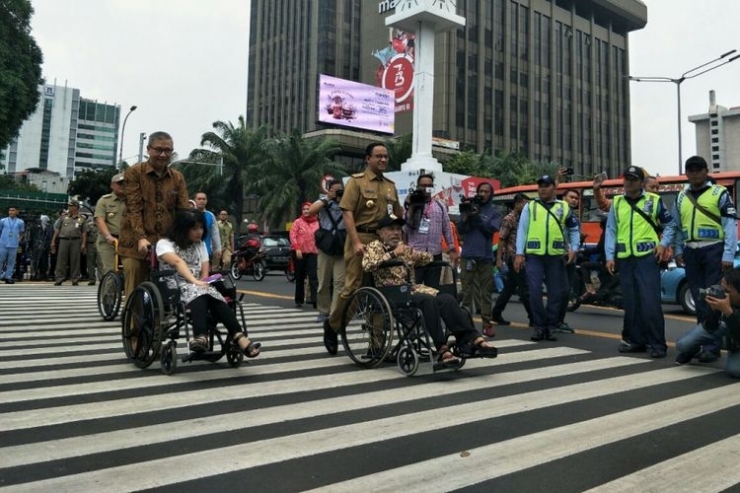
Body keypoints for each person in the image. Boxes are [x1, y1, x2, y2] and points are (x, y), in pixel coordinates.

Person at [363, 214, 497, 365]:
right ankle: (442, 348)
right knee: (427, 301)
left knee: (447, 299)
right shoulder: (375, 246)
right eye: (391, 229)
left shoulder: (404, 248)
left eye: (398, 229)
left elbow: (427, 258)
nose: (396, 232)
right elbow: (368, 265)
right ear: (380, 232)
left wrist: (419, 256)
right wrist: (393, 254)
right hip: (392, 292)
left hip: (413, 289)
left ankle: (471, 339)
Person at [322, 142, 404, 355]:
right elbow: (347, 212)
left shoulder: (390, 186)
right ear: (368, 159)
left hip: (383, 241)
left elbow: (396, 214)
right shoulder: (355, 183)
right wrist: (356, 241)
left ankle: (376, 345)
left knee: (381, 290)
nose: (383, 160)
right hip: (361, 238)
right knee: (353, 289)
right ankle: (332, 326)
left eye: (385, 156)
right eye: (378, 156)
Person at [156, 210, 260, 357]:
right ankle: (202, 336)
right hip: (173, 284)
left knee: (214, 294)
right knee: (202, 291)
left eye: (201, 227)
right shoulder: (164, 244)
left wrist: (203, 282)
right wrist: (195, 282)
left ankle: (238, 337)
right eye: (194, 228)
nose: (199, 232)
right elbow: (177, 262)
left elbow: (205, 267)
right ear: (182, 228)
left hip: (196, 283)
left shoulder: (200, 245)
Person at [672, 155, 738, 364]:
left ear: (706, 170)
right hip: (691, 252)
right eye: (690, 169)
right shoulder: (681, 197)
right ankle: (701, 344)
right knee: (699, 299)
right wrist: (678, 250)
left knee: (713, 299)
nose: (694, 173)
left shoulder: (720, 193)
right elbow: (677, 226)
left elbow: (729, 226)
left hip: (713, 252)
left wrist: (727, 255)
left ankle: (711, 347)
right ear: (686, 173)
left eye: (698, 169)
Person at [605, 166, 675, 358]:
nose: (629, 182)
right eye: (627, 179)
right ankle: (635, 341)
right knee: (631, 301)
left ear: (641, 182)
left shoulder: (654, 200)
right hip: (625, 259)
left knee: (650, 301)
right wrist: (610, 256)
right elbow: (611, 231)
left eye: (634, 179)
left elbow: (670, 225)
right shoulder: (617, 203)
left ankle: (657, 344)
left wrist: (662, 244)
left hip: (647, 259)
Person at [119, 131, 190, 298]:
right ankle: (132, 323)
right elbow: (133, 207)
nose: (163, 155)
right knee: (136, 284)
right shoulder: (134, 172)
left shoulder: (177, 178)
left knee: (165, 291)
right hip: (134, 243)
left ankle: (158, 323)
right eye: (158, 150)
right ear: (149, 149)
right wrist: (141, 237)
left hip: (165, 244)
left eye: (168, 150)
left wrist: (188, 236)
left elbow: (183, 211)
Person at [515, 175, 580, 342]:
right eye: (540, 185)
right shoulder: (530, 206)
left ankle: (551, 327)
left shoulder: (564, 207)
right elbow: (522, 230)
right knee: (534, 292)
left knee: (555, 294)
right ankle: (538, 327)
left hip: (556, 257)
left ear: (554, 188)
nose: (542, 189)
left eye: (546, 186)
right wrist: (519, 253)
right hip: (534, 256)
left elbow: (573, 230)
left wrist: (574, 248)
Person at [675, 267, 740, 377]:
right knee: (683, 344)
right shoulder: (722, 296)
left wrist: (728, 312)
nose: (723, 293)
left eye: (727, 291)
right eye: (722, 288)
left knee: (735, 370)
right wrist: (714, 311)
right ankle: (694, 350)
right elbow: (710, 327)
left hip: (737, 335)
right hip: (726, 327)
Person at [457, 182, 502, 337]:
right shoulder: (469, 207)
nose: (482, 194)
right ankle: (466, 324)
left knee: (486, 292)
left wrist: (477, 218)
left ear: (491, 194)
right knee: (466, 291)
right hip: (468, 255)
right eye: (480, 191)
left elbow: (491, 229)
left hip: (485, 256)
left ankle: (486, 324)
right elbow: (460, 230)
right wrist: (466, 216)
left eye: (486, 191)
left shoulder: (494, 211)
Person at [403, 173, 458, 289]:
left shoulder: (440, 206)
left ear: (432, 187)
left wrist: (452, 248)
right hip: (415, 254)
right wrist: (412, 209)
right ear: (417, 186)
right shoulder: (411, 204)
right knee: (414, 289)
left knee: (433, 289)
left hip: (435, 254)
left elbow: (447, 229)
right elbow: (405, 229)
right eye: (422, 185)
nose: (425, 188)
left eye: (429, 185)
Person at [308, 180, 346, 323]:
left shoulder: (347, 202)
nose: (337, 192)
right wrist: (328, 198)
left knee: (340, 283)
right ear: (328, 191)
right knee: (323, 281)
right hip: (326, 246)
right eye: (334, 190)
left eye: (340, 190)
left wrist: (343, 199)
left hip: (342, 246)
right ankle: (323, 310)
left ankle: (335, 313)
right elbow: (311, 211)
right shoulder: (323, 201)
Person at [491, 193, 532, 326]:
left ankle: (496, 312)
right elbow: (501, 239)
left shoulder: (523, 218)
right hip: (513, 257)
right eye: (525, 204)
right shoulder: (509, 218)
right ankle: (533, 317)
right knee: (525, 287)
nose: (527, 207)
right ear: (518, 203)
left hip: (521, 256)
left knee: (510, 287)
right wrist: (499, 259)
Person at [555, 188, 582, 334]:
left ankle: (559, 320)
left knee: (566, 291)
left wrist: (575, 249)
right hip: (557, 255)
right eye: (571, 197)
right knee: (559, 290)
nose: (574, 200)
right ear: (563, 198)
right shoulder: (556, 213)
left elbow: (575, 236)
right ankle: (553, 321)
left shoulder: (576, 219)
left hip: (571, 257)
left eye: (576, 198)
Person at [95, 173, 127, 275]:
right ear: (112, 185)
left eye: (125, 183)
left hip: (127, 241)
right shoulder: (104, 201)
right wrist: (108, 237)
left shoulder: (133, 201)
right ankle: (109, 290)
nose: (123, 186)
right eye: (120, 183)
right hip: (109, 241)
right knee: (111, 271)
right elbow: (100, 220)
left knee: (131, 270)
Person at [290, 202, 320, 308]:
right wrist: (297, 248)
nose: (306, 211)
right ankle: (299, 300)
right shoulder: (298, 222)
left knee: (313, 277)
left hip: (313, 253)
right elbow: (293, 236)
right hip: (299, 253)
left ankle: (315, 300)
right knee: (299, 277)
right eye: (304, 209)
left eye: (308, 209)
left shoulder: (317, 222)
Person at [51, 200, 88, 286]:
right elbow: (57, 229)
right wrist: (53, 241)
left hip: (76, 240)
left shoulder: (81, 218)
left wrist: (83, 244)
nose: (69, 208)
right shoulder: (63, 217)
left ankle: (75, 278)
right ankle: (59, 278)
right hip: (64, 240)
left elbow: (84, 232)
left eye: (71, 206)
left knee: (75, 260)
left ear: (76, 207)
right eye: (69, 206)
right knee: (61, 259)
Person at [192, 192, 222, 265]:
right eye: (199, 199)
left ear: (206, 201)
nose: (201, 201)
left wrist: (218, 249)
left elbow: (215, 233)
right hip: (191, 250)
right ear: (194, 200)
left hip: (206, 250)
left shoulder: (210, 215)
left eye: (203, 199)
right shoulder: (189, 214)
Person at [0, 206, 25, 284]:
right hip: (3, 243)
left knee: (11, 262)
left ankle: (8, 277)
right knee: (0, 260)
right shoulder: (3, 221)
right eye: (10, 210)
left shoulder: (20, 222)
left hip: (14, 245)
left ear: (17, 212)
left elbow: (22, 232)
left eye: (13, 210)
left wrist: (18, 239)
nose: (11, 212)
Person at [30, 214, 53, 280]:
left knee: (44, 261)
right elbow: (31, 237)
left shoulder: (49, 227)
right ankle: (35, 274)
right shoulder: (35, 227)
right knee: (36, 261)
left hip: (45, 247)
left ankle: (43, 274)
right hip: (36, 247)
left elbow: (50, 237)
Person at [84, 214, 99, 285]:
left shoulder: (103, 225)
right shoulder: (89, 225)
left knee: (101, 263)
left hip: (100, 245)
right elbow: (85, 234)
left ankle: (102, 278)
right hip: (91, 244)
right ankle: (92, 279)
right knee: (90, 263)